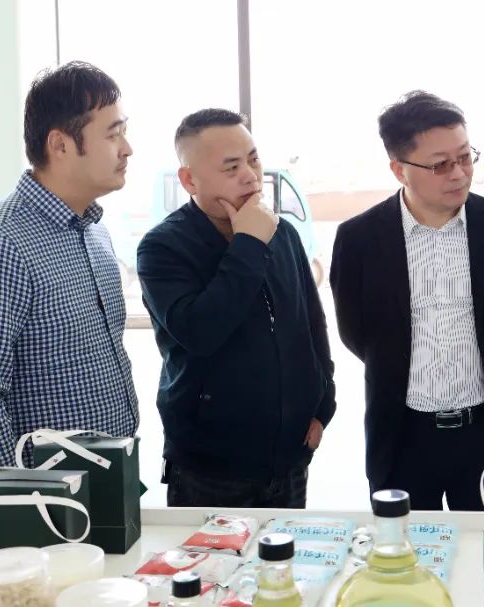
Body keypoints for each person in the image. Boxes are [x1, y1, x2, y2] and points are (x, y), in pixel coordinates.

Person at [330, 91, 484, 511]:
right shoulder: (359, 239)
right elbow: (357, 334)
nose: (459, 174)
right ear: (399, 169)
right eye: (441, 164)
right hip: (402, 434)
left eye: (465, 157)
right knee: (404, 545)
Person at [0, 61, 138, 478]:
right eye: (113, 134)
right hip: (49, 496)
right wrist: (22, 504)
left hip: (105, 478)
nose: (127, 149)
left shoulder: (93, 232)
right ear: (60, 144)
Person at [136, 108, 335, 508]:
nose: (250, 175)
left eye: (253, 159)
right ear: (189, 180)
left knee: (285, 551)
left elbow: (311, 325)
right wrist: (249, 243)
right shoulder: (163, 247)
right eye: (231, 167)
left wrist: (323, 405)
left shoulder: (283, 233)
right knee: (208, 553)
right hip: (211, 467)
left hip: (290, 454)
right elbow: (201, 332)